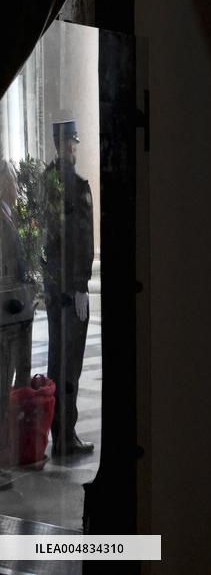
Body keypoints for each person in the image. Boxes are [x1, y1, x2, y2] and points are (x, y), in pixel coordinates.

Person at [42, 120, 95, 457]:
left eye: (74, 144)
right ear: (59, 146)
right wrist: (76, 287)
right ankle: (65, 435)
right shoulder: (68, 186)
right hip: (69, 290)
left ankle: (61, 432)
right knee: (69, 361)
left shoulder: (49, 183)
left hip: (58, 289)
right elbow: (71, 242)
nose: (73, 150)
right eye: (69, 145)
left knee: (59, 360)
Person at [0, 161, 35, 484]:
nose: (14, 185)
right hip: (4, 317)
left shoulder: (8, 213)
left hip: (15, 313)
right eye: (9, 179)